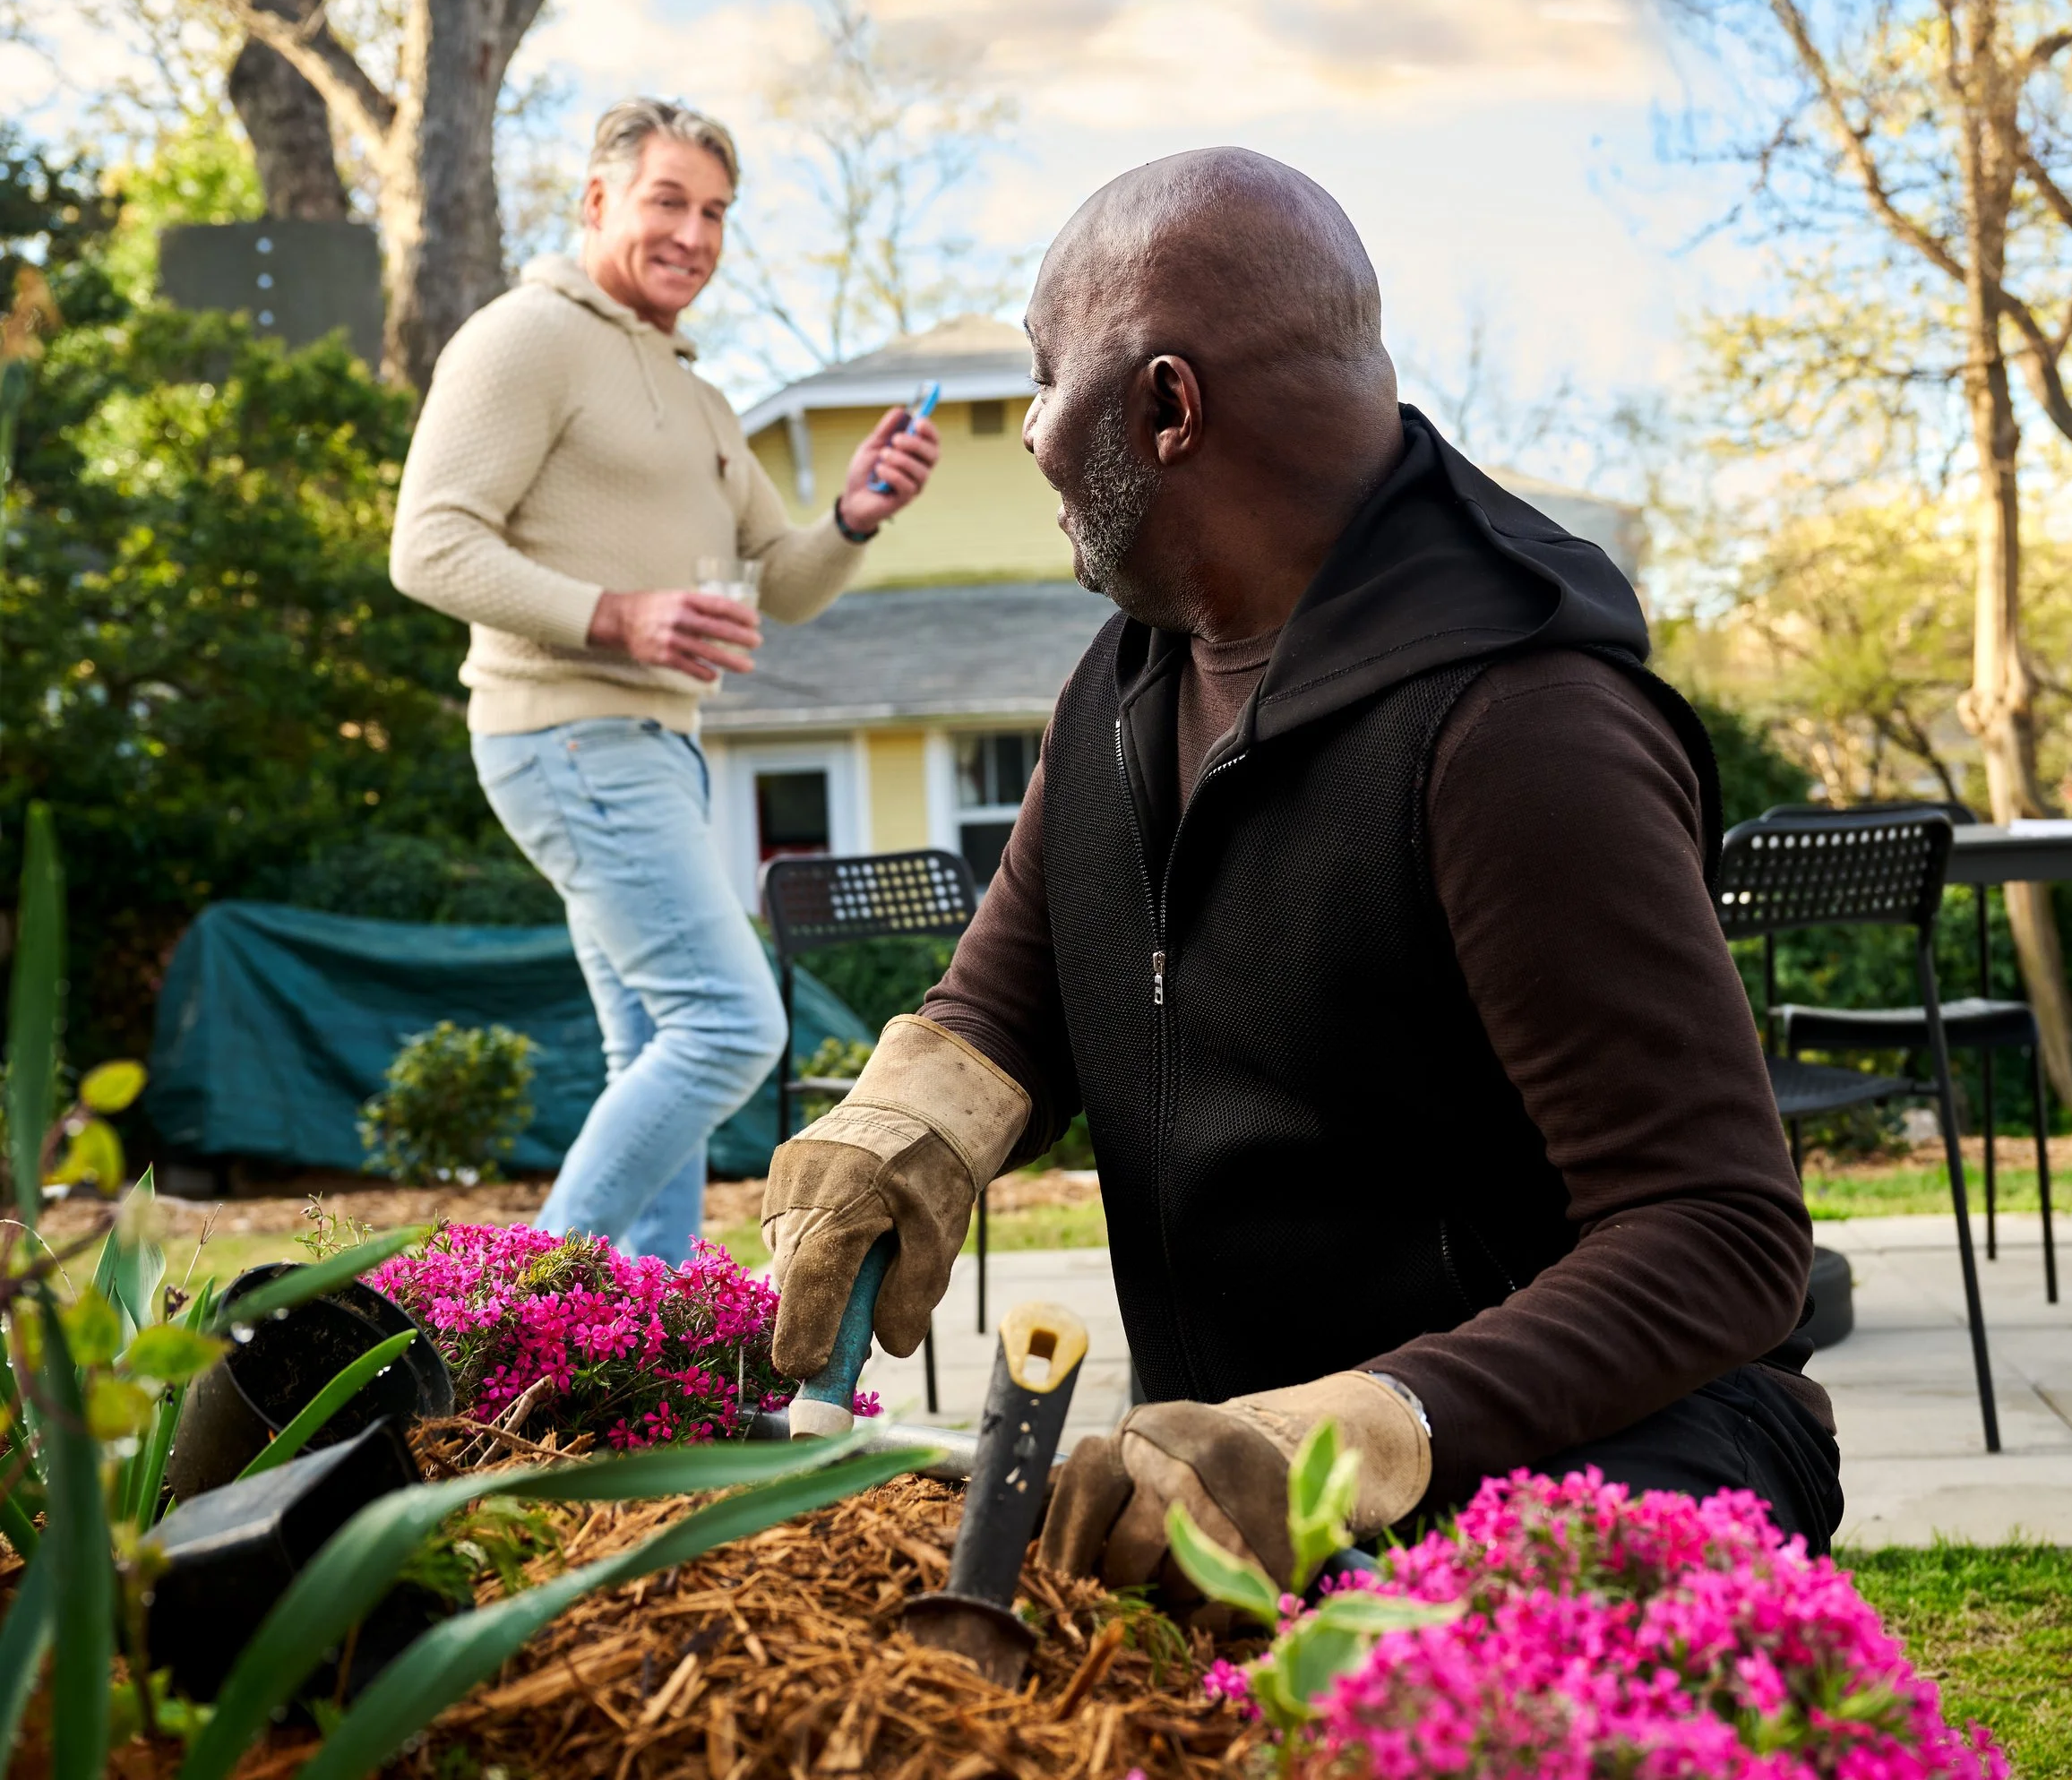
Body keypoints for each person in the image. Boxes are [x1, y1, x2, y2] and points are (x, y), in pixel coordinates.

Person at [759, 148, 1842, 1584]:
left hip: (1589, 1454)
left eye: (1042, 377)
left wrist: (1359, 1433)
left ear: (1164, 408)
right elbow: (1007, 1003)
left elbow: (1719, 1233)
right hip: (1239, 1484)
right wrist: (906, 1125)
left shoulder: (1522, 726)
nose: (1024, 433)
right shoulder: (1126, 684)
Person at [391, 99, 939, 1265]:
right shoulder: (524, 338)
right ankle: (515, 1314)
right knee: (729, 1024)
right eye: (668, 201)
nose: (694, 233)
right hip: (570, 736)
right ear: (597, 204)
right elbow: (427, 544)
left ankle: (640, 1353)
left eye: (716, 212)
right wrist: (618, 616)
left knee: (658, 1050)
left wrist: (853, 514)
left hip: (656, 748)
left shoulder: (697, 398)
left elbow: (784, 584)